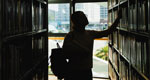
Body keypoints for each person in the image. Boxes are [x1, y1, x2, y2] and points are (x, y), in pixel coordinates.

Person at [62, 10, 121, 80]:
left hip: (85, 71)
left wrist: (118, 18)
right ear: (77, 21)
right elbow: (65, 54)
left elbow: (107, 32)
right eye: (83, 16)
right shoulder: (71, 36)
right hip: (74, 72)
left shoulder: (89, 34)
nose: (85, 17)